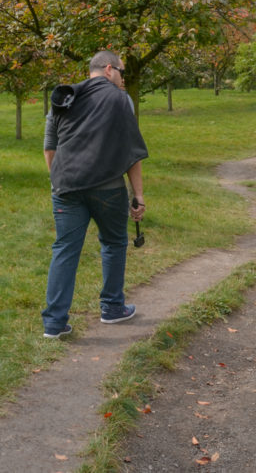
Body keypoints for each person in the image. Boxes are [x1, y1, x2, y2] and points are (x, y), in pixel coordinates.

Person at [41, 50, 148, 339]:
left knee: (65, 249)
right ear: (110, 69)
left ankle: (53, 324)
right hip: (107, 188)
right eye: (123, 73)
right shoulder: (120, 100)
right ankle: (112, 308)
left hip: (65, 186)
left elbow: (50, 148)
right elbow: (131, 153)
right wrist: (138, 195)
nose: (124, 80)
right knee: (113, 243)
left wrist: (57, 182)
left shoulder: (63, 97)